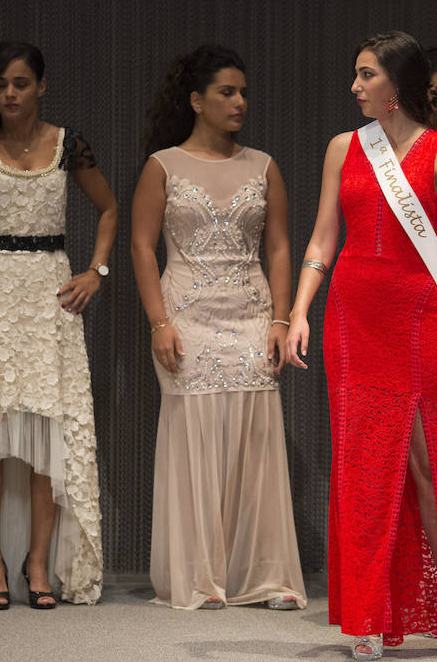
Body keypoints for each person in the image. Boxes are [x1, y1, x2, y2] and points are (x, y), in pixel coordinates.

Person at [287, 31, 437, 659]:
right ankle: (369, 619)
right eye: (355, 74)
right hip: (351, 317)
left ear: (395, 87)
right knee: (362, 465)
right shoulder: (341, 149)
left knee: (428, 463)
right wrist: (298, 311)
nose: (354, 86)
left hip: (418, 317)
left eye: (365, 74)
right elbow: (323, 240)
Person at [0, 41, 117, 609]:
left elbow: (110, 209)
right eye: (0, 85)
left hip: (50, 292)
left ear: (41, 86)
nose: (10, 94)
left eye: (20, 83)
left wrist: (97, 270)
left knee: (47, 433)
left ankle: (37, 563)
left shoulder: (69, 146)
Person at [131, 44, 306, 611]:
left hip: (253, 313)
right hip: (187, 316)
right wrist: (159, 321)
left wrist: (281, 318)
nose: (239, 102)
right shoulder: (163, 165)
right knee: (196, 438)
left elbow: (280, 245)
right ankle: (201, 578)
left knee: (255, 441)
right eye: (227, 92)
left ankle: (264, 577)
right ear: (196, 100)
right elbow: (140, 245)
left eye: (243, 92)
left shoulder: (263, 164)